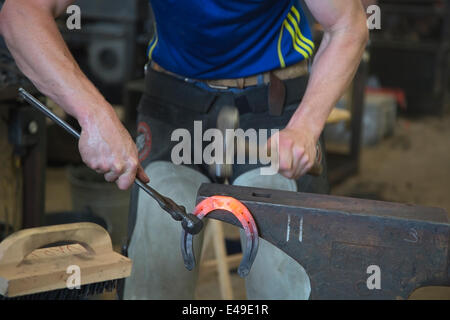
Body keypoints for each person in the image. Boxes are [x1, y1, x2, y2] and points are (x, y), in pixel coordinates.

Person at [0, 0, 368, 299]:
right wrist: (94, 115)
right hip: (173, 103)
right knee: (158, 256)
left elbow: (347, 25)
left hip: (273, 108)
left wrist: (306, 125)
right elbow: (22, 12)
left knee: (283, 271)